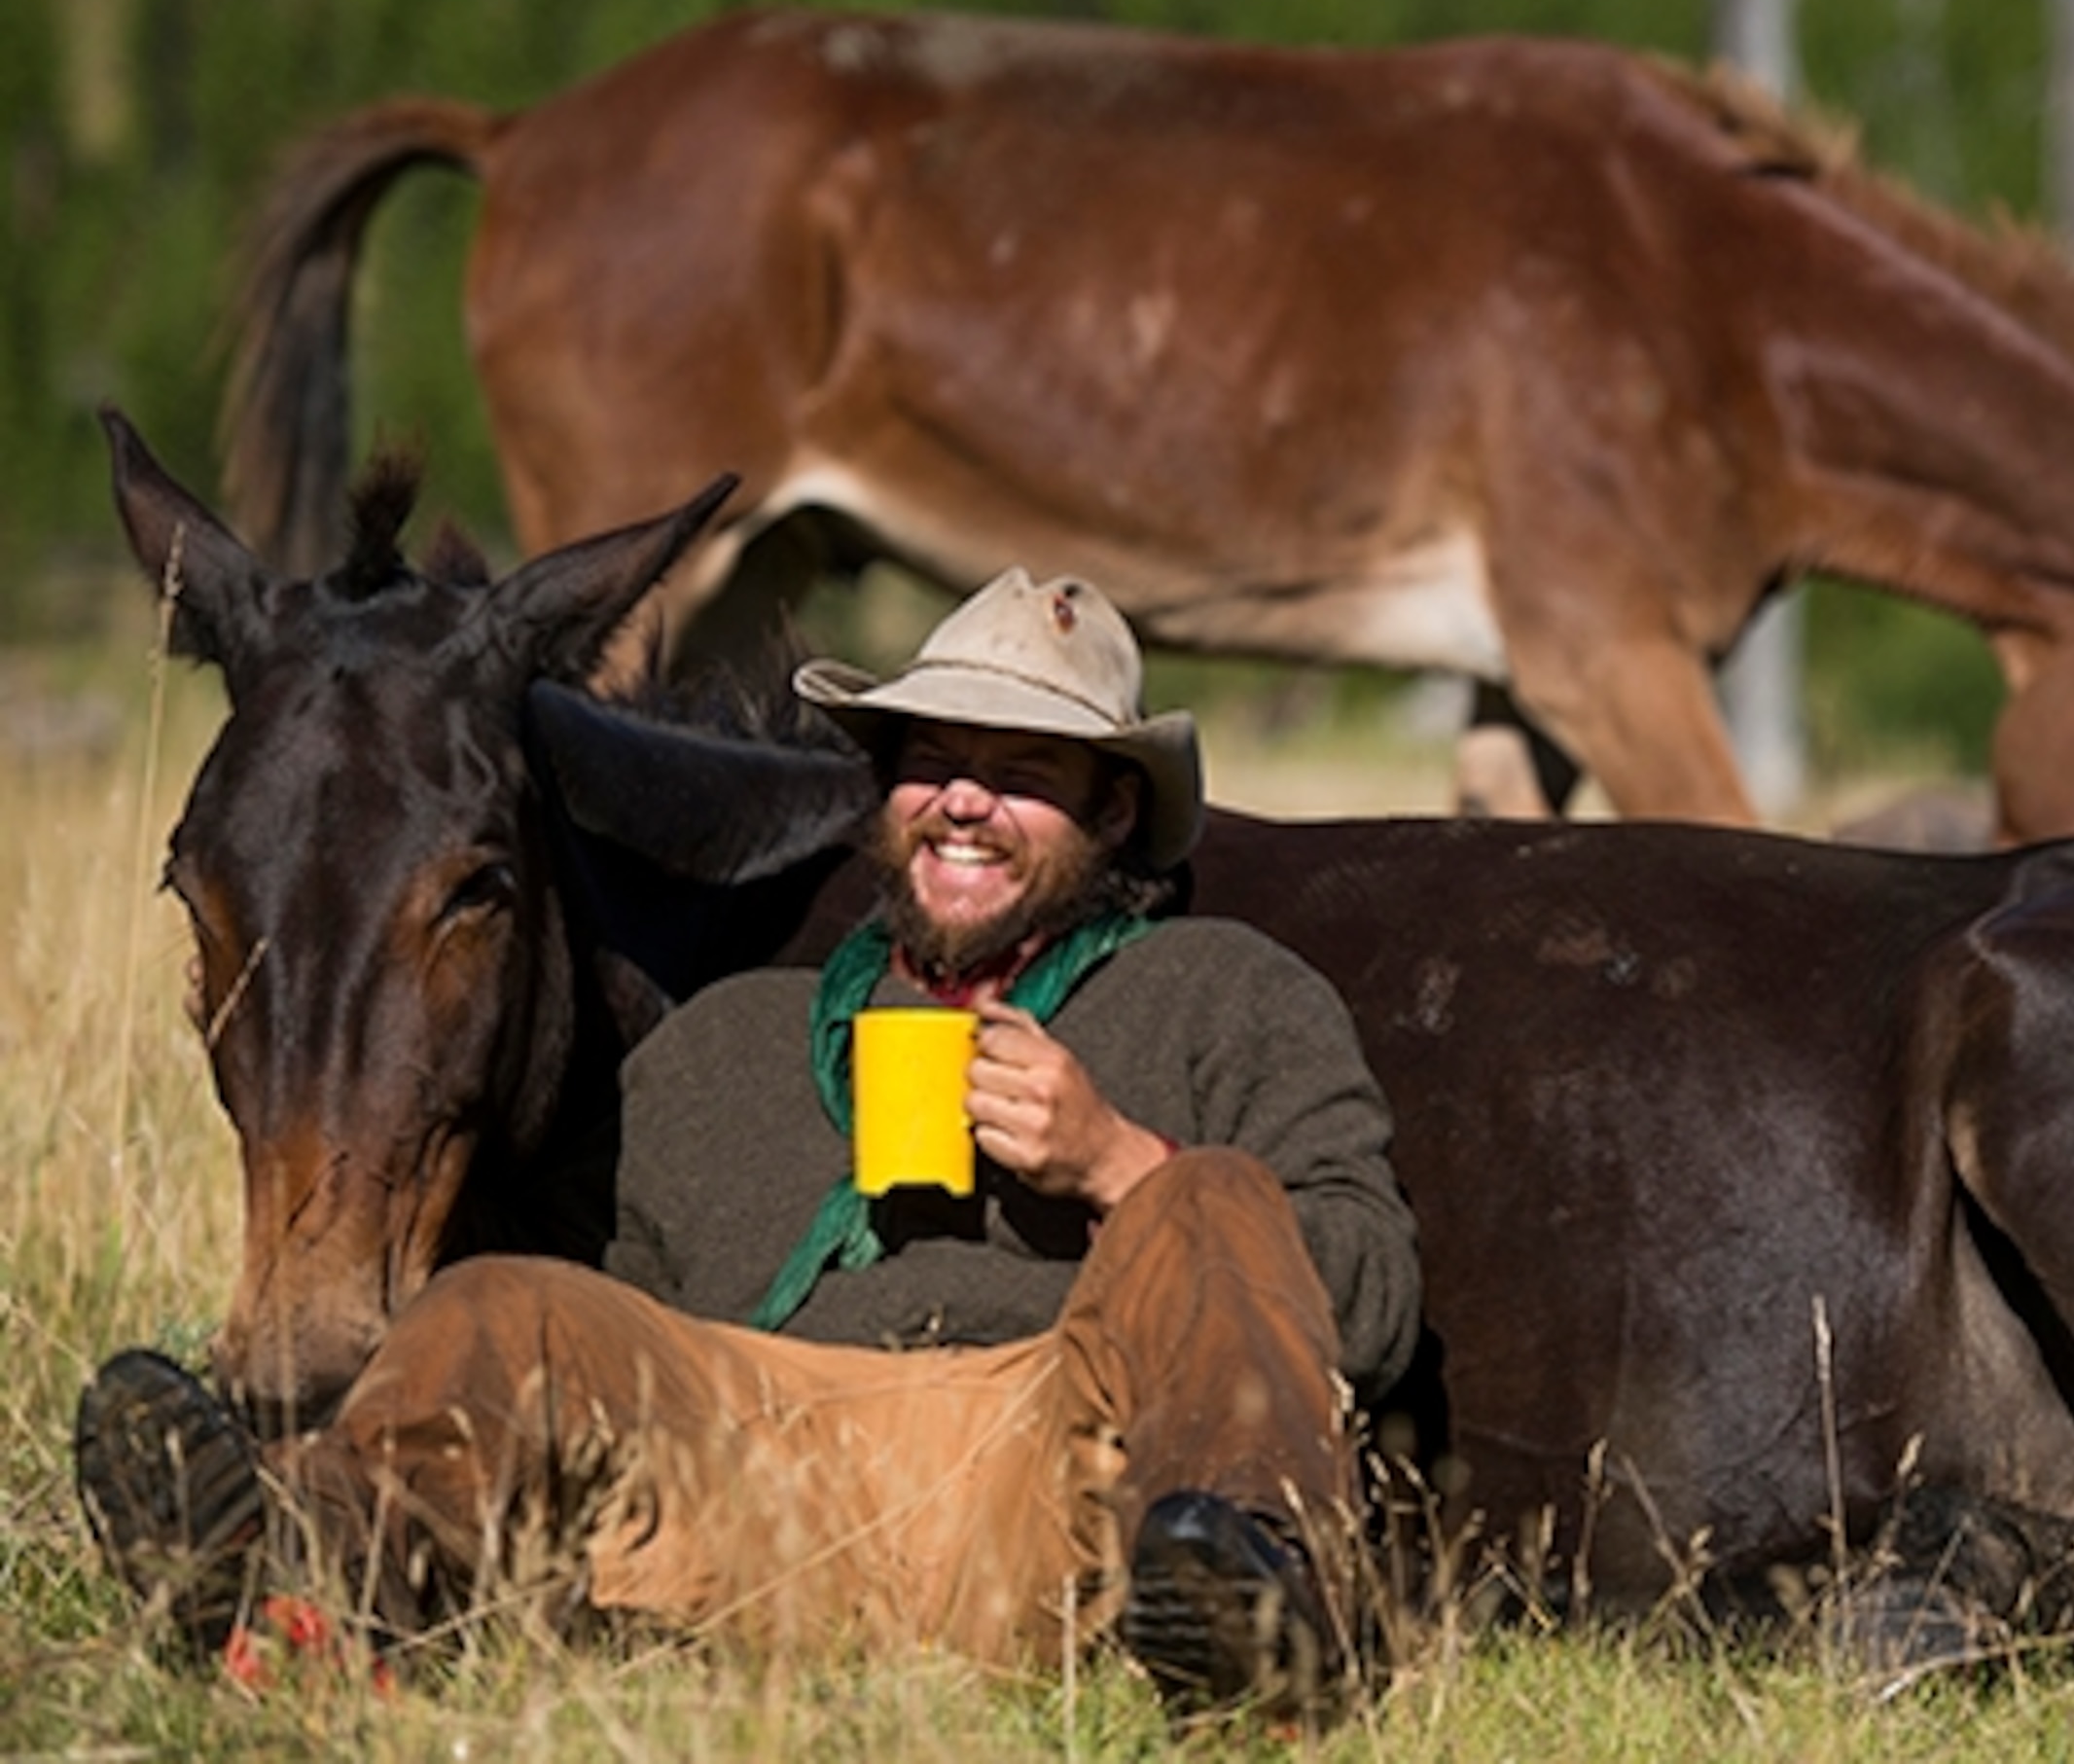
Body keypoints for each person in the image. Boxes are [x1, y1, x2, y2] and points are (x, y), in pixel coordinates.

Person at [74, 568, 1425, 1723]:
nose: (963, 803)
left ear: (1115, 813)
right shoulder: (731, 1041)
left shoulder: (1226, 993)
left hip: (1061, 1471)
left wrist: (1119, 1163)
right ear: (883, 793)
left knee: (1211, 1194)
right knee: (503, 1304)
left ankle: (1254, 1637)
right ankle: (294, 1563)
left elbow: (1366, 1301)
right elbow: (582, 1331)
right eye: (933, 764)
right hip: (757, 1476)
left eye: (1023, 776)